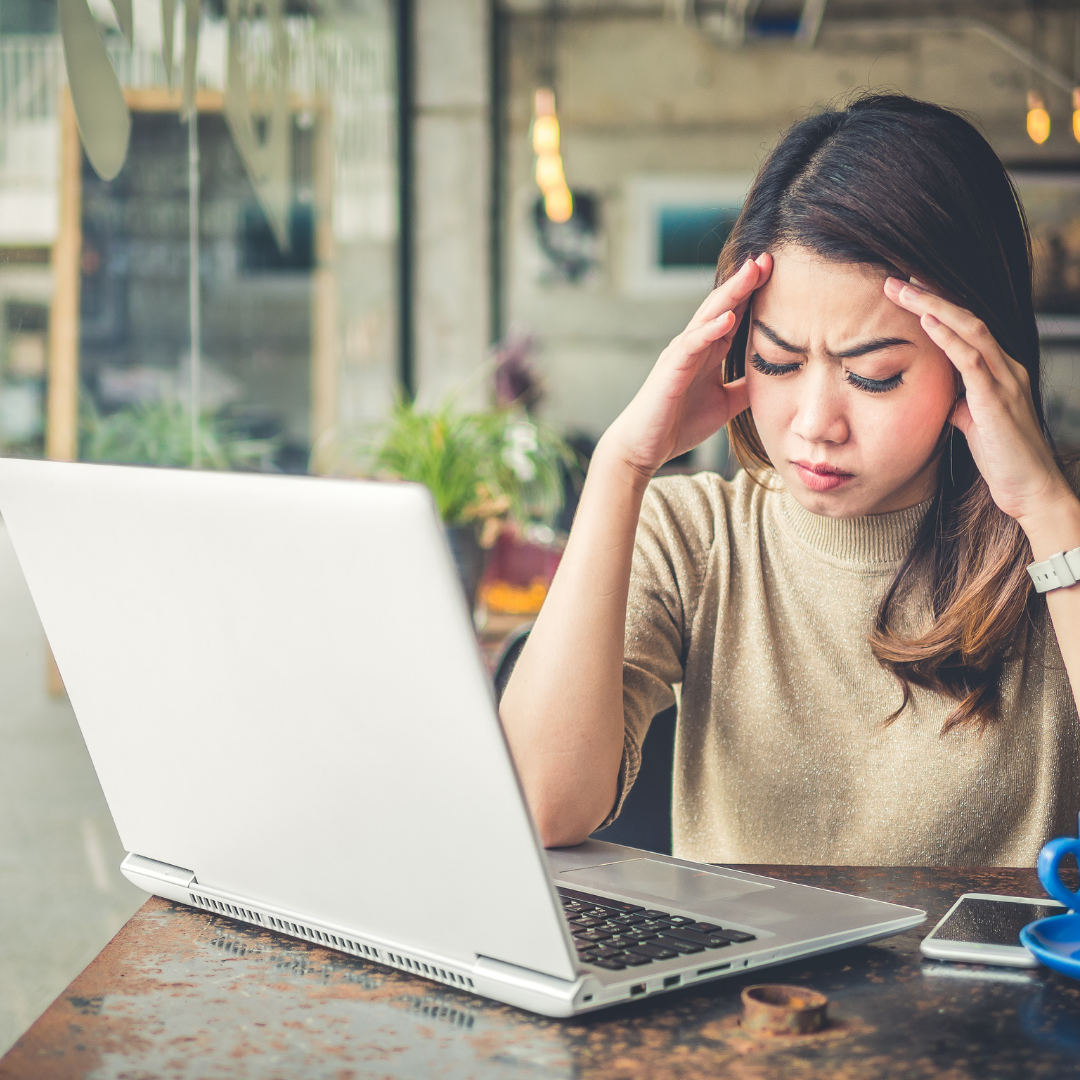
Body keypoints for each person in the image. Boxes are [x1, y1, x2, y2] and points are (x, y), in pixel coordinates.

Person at [499, 92, 1080, 867]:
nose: (814, 424)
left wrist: (1043, 508)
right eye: (776, 362)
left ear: (977, 358)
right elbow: (540, 806)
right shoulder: (693, 536)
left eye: (873, 375)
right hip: (739, 958)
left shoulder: (1057, 531)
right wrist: (622, 464)